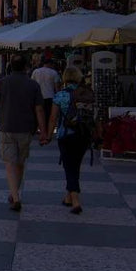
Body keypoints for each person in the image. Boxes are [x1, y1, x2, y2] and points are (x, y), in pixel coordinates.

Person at [0, 55, 48, 212]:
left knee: (9, 162)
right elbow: (39, 109)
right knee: (20, 163)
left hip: (7, 126)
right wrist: (43, 131)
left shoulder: (2, 83)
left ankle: (15, 196)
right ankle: (15, 194)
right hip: (26, 128)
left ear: (10, 67)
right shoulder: (33, 85)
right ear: (26, 67)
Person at [47, 66, 97, 215]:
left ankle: (75, 201)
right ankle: (68, 197)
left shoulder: (61, 95)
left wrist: (48, 135)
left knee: (69, 166)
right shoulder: (87, 93)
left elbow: (53, 118)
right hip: (84, 134)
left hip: (66, 134)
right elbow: (96, 116)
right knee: (75, 165)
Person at [31, 58, 61, 123]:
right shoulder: (54, 72)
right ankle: (47, 129)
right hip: (50, 97)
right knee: (48, 115)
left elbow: (32, 85)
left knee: (38, 115)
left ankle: (39, 129)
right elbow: (57, 88)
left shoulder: (36, 71)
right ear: (50, 64)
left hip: (38, 97)